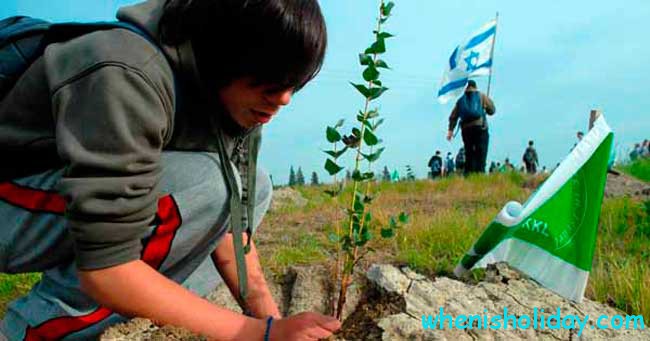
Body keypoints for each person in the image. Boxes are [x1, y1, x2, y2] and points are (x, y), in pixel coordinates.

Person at [0, 0, 340, 340]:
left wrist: (271, 323)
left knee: (254, 187)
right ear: (225, 48)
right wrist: (254, 333)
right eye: (271, 80)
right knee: (213, 182)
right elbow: (106, 266)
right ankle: (34, 330)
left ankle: (130, 317)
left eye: (293, 84)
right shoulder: (127, 70)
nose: (283, 99)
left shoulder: (241, 101)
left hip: (52, 205)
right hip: (10, 204)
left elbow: (230, 227)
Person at [446, 80, 496, 175]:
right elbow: (492, 110)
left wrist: (450, 130)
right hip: (480, 128)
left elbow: (453, 116)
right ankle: (480, 173)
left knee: (469, 152)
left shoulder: (461, 99)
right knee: (481, 151)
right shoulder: (481, 96)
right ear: (475, 86)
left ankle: (469, 174)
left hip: (466, 130)